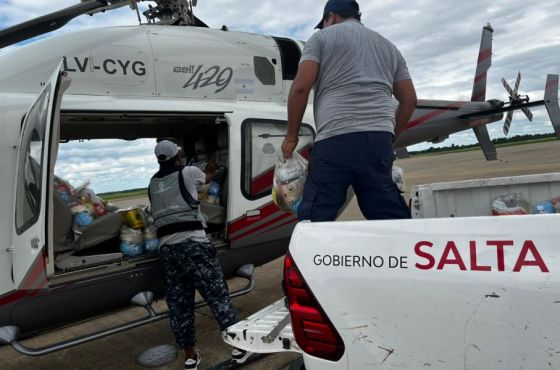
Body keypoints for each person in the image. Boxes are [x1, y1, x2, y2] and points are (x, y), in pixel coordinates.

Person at [281, 0, 418, 222]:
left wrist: (291, 137)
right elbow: (409, 100)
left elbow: (301, 88)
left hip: (336, 138)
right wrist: (389, 137)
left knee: (316, 217)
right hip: (379, 141)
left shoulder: (321, 38)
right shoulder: (389, 47)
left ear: (331, 17)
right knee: (389, 215)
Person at [148, 140, 250, 370]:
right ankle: (239, 348)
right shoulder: (189, 171)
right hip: (193, 244)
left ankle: (190, 358)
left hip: (168, 250)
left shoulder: (153, 182)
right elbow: (208, 179)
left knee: (180, 304)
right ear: (177, 156)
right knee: (216, 294)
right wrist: (214, 165)